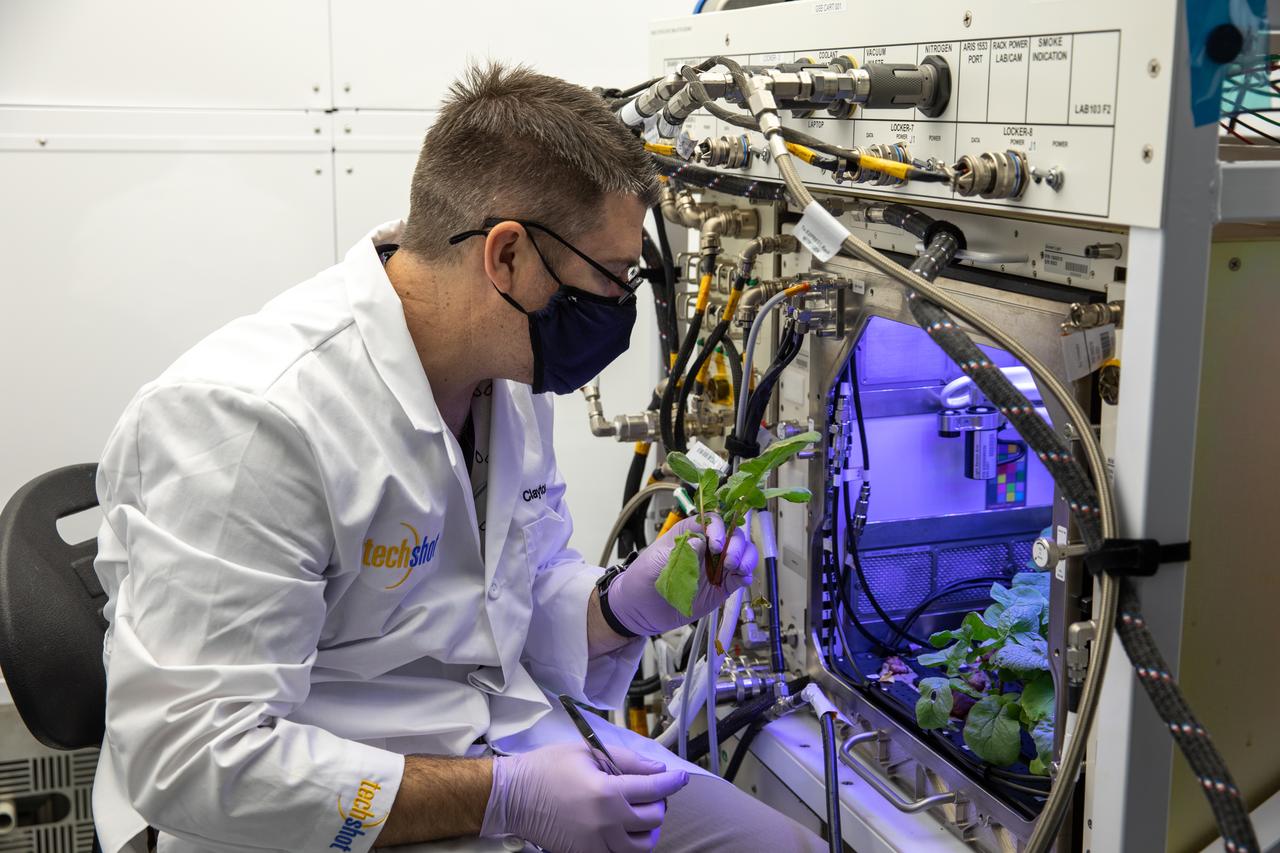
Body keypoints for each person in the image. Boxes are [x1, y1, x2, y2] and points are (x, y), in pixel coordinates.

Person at [92, 63, 828, 853]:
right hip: (311, 813)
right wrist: (502, 800)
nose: (619, 308)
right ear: (506, 256)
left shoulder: (503, 370)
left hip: (504, 747)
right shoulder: (252, 421)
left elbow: (509, 596)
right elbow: (192, 759)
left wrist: (619, 607)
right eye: (612, 279)